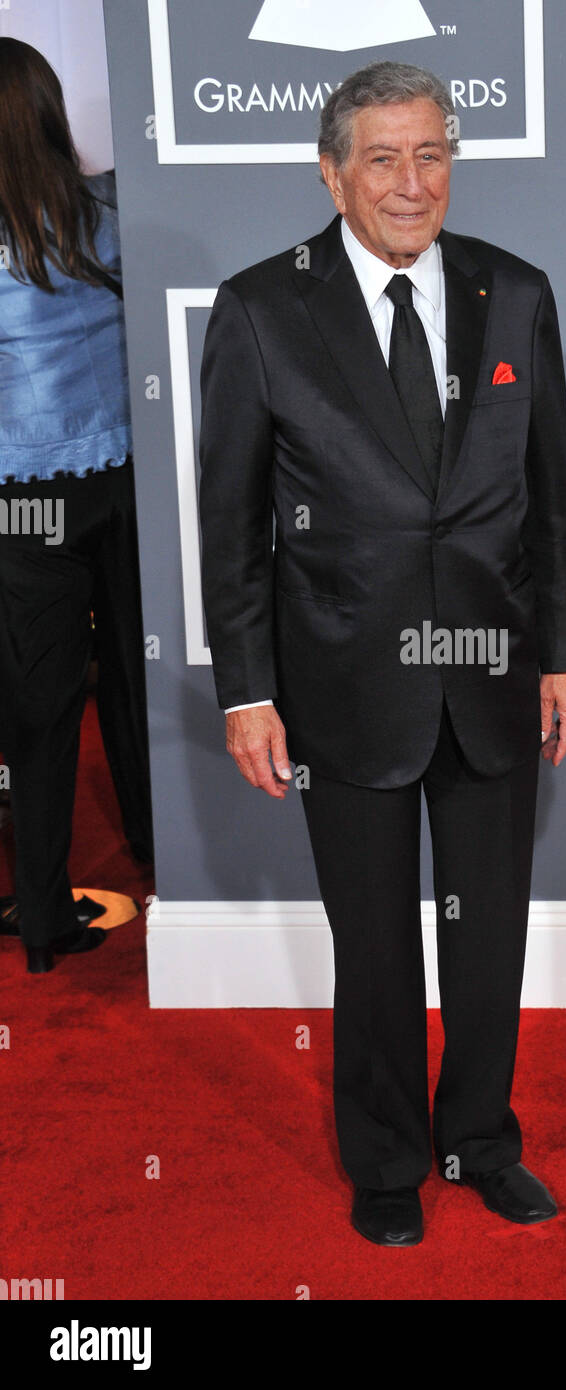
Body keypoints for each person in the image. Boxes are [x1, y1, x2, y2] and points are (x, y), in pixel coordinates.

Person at [199, 60, 566, 1245]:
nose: (413, 183)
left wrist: (565, 655)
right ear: (331, 171)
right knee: (372, 940)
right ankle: (382, 1158)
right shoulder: (264, 307)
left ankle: (478, 1139)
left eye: (432, 155)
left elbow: (551, 497)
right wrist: (247, 688)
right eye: (384, 158)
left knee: (489, 932)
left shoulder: (512, 293)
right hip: (341, 678)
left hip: (491, 670)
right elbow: (233, 522)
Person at [0, 38, 153, 976]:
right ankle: (165, 861)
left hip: (19, 503)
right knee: (137, 678)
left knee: (41, 703)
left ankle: (48, 917)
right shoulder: (108, 209)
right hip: (122, 479)